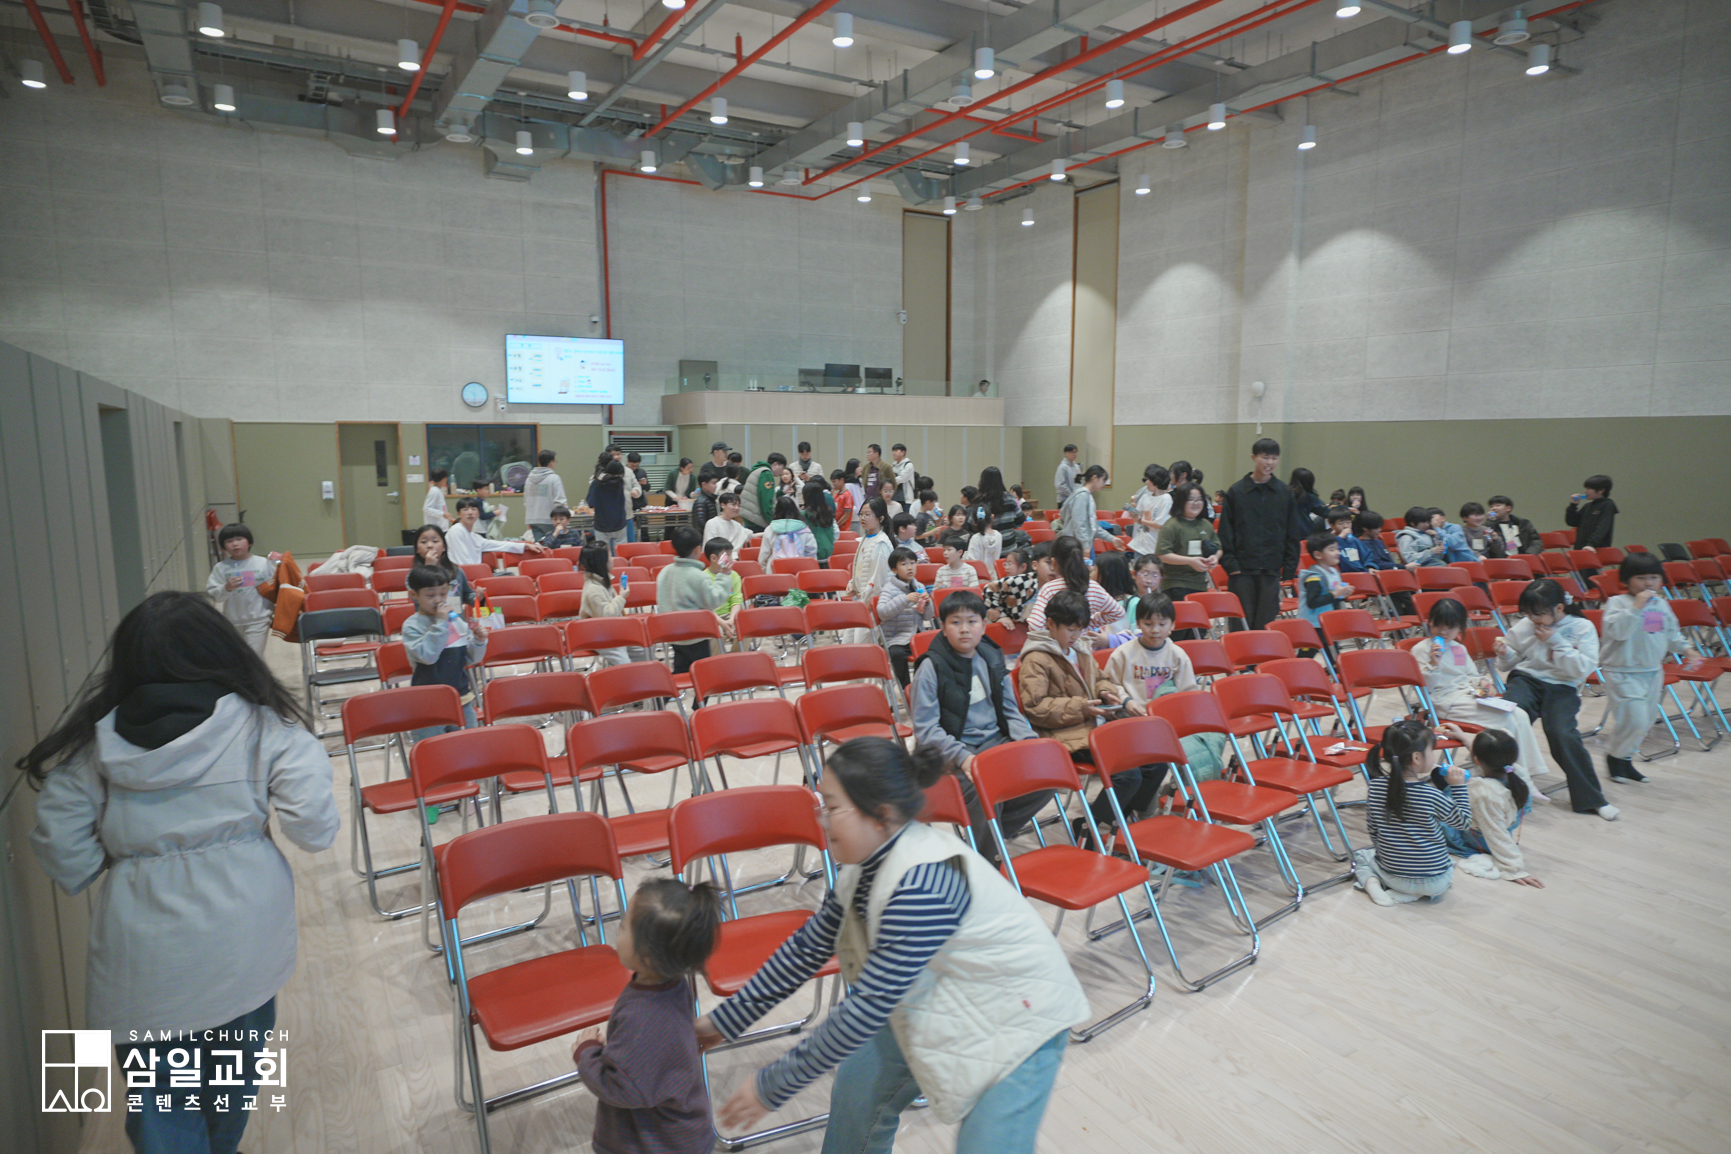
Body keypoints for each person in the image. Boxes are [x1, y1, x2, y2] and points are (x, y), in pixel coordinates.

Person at [24, 592, 339, 1154]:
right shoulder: (265, 728)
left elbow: (63, 852)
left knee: (162, 1108)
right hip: (245, 947)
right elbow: (314, 828)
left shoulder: (94, 747)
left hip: (142, 959)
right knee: (230, 1092)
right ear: (223, 651)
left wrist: (123, 860)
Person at [699, 737, 1087, 1151]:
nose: (822, 821)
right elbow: (805, 949)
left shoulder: (924, 884)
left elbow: (868, 1006)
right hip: (935, 994)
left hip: (1023, 1019)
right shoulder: (866, 863)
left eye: (832, 807)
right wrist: (724, 1022)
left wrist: (772, 1085)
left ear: (881, 815)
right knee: (858, 1092)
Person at [572, 878, 721, 1154]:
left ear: (648, 956)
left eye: (623, 927)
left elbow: (622, 1088)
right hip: (685, 1127)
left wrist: (587, 1053)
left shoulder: (641, 1019)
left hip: (655, 1143)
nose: (617, 933)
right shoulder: (677, 982)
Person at [911, 591, 1054, 861]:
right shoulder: (931, 668)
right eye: (955, 622)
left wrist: (1028, 742)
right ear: (943, 627)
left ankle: (992, 835)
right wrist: (963, 757)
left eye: (972, 621)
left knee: (1047, 772)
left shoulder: (991, 657)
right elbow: (926, 731)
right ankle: (987, 859)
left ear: (984, 625)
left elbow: (1010, 711)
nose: (964, 629)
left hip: (995, 743)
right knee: (985, 786)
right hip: (950, 754)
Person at [1018, 591, 1139, 845]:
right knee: (1128, 774)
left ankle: (1119, 819)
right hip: (1068, 735)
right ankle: (1088, 828)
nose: (1076, 635)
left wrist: (1105, 692)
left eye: (1080, 629)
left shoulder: (1079, 648)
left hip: (1094, 725)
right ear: (1051, 624)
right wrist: (1082, 707)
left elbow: (1100, 677)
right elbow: (1036, 707)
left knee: (1153, 759)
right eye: (1070, 629)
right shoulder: (1036, 659)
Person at [1494, 579, 1617, 820]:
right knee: (1507, 716)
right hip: (1526, 680)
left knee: (1562, 733)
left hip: (1563, 685)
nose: (1532, 619)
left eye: (1538, 614)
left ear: (1559, 608)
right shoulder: (1525, 625)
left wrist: (1556, 641)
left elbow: (1583, 668)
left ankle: (1592, 799)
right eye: (1528, 613)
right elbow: (1510, 662)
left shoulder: (1581, 627)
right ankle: (1501, 785)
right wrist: (1505, 653)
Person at [1416, 598, 1546, 783]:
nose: (1443, 631)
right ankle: (1515, 777)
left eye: (1450, 627)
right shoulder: (1421, 650)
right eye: (1438, 625)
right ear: (1430, 623)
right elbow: (1425, 687)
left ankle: (1527, 772)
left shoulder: (1458, 649)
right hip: (1444, 701)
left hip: (1467, 695)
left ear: (1459, 628)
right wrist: (1433, 663)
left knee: (1520, 714)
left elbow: (1469, 675)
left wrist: (1483, 683)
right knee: (1506, 720)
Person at [1600, 552, 1701, 784]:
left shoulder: (1660, 605)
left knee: (1645, 722)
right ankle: (1615, 757)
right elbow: (1619, 632)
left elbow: (1670, 634)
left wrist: (1688, 650)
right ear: (1626, 580)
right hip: (1622, 672)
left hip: (1652, 671)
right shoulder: (1617, 603)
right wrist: (1637, 607)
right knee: (1633, 720)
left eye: (1654, 577)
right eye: (1641, 578)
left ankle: (1624, 761)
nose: (1648, 583)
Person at [1353, 719, 1470, 906]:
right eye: (1432, 751)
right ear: (1417, 757)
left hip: (1393, 876)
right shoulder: (1432, 794)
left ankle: (1373, 884)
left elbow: (1373, 830)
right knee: (1447, 863)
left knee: (1361, 856)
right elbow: (1464, 822)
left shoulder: (1375, 787)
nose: (1433, 756)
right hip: (1435, 882)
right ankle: (1412, 894)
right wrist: (1459, 787)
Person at [1438, 727, 1544, 887]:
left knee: (1430, 807)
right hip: (1495, 824)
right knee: (1439, 779)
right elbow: (1489, 756)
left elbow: (1495, 832)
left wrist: (1513, 869)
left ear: (1477, 760)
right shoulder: (1517, 772)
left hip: (1477, 839)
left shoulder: (1485, 794)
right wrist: (1464, 738)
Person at [1218, 438, 1303, 631]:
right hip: (1242, 570)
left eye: (1274, 458)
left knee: (1265, 625)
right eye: (1265, 457)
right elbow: (1225, 531)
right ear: (1253, 457)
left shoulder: (1284, 492)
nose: (1270, 462)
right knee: (1241, 623)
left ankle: (1262, 654)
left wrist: (1289, 568)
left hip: (1271, 569)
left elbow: (1292, 531)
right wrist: (1231, 564)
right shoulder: (1237, 491)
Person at [403, 564, 489, 735]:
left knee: (468, 743)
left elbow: (471, 659)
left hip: (461, 697)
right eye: (430, 595)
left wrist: (479, 642)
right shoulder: (412, 625)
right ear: (414, 595)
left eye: (443, 594)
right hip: (428, 702)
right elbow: (428, 656)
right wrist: (442, 623)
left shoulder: (455, 621)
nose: (438, 600)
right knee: (432, 747)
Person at [656, 527, 731, 674]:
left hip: (672, 632)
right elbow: (714, 600)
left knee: (681, 670)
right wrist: (723, 576)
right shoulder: (698, 576)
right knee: (703, 674)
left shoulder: (665, 571)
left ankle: (670, 688)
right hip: (694, 634)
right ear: (698, 549)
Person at [1025, 535, 1125, 637]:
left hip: (1056, 644)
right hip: (1083, 644)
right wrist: (1086, 625)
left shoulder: (1050, 589)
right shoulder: (1094, 587)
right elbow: (1118, 613)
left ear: (1054, 562)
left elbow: (1035, 624)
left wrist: (1053, 636)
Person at [206, 522, 277, 655]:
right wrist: (226, 588)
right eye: (229, 541)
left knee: (254, 656)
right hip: (233, 621)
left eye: (239, 539)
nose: (235, 544)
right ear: (223, 546)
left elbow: (276, 589)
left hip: (259, 619)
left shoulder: (263, 564)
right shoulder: (221, 568)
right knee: (240, 657)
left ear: (249, 542)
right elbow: (214, 595)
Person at [1154, 482, 1221, 604]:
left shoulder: (1206, 524)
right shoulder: (1171, 525)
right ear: (1181, 502)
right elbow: (1162, 554)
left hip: (1200, 584)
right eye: (1191, 499)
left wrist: (1214, 558)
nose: (1196, 503)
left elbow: (1219, 548)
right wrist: (1190, 561)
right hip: (1175, 584)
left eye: (1199, 499)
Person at [878, 546, 931, 688]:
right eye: (904, 564)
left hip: (917, 635)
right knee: (896, 654)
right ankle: (906, 688)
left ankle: (924, 686)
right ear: (894, 570)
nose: (910, 567)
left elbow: (927, 617)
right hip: (897, 638)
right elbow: (882, 613)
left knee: (936, 648)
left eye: (912, 563)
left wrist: (928, 603)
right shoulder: (888, 589)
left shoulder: (919, 585)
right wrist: (904, 599)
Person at [577, 542, 636, 667]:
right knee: (624, 666)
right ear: (602, 562)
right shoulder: (593, 589)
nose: (613, 558)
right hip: (599, 635)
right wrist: (621, 597)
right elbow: (607, 616)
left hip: (613, 630)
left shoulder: (602, 581)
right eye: (610, 555)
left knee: (641, 650)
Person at [1296, 532, 1353, 630]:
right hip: (1313, 624)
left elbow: (1331, 598)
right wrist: (1335, 594)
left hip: (1329, 620)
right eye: (1332, 549)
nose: (1337, 553)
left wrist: (1343, 595)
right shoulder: (1314, 576)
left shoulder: (1334, 572)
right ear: (1318, 555)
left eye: (1337, 549)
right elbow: (1312, 602)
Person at [413, 522, 475, 610]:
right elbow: (418, 600)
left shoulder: (455, 570)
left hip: (455, 617)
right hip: (430, 618)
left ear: (444, 547)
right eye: (424, 542)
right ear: (417, 549)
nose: (430, 545)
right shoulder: (413, 576)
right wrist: (429, 568)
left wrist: (477, 598)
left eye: (435, 541)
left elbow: (467, 593)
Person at [584, 461, 639, 553]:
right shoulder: (620, 483)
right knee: (620, 551)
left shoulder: (596, 484)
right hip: (619, 523)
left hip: (602, 523)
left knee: (603, 553)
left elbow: (591, 504)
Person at [848, 498, 894, 608]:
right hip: (863, 598)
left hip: (875, 603)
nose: (863, 518)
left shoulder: (881, 543)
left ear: (881, 518)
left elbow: (878, 582)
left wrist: (865, 602)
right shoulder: (865, 538)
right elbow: (861, 566)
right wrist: (853, 583)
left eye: (867, 515)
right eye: (861, 514)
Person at [759, 496, 818, 572]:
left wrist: (765, 571)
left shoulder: (770, 530)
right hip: (800, 570)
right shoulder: (804, 530)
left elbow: (764, 555)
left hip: (775, 571)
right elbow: (812, 552)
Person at [704, 539, 746, 645]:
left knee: (744, 629)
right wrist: (723, 623)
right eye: (728, 555)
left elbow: (736, 600)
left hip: (729, 615)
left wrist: (731, 620)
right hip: (711, 617)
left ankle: (738, 656)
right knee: (715, 634)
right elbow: (705, 607)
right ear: (713, 558)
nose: (731, 559)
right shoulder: (703, 578)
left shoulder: (734, 575)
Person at [983, 547, 1037, 628]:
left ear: (1023, 567)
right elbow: (988, 589)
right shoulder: (1008, 582)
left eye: (1010, 564)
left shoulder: (1030, 581)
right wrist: (1000, 616)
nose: (1006, 567)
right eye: (1006, 564)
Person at [1128, 465, 1172, 556]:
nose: (1146, 482)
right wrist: (1134, 516)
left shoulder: (1166, 499)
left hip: (1154, 547)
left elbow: (1160, 524)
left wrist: (1142, 520)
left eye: (1148, 479)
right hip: (1141, 545)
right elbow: (1140, 519)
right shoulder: (1145, 497)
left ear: (1155, 481)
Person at [1565, 474, 1617, 549]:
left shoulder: (1608, 505)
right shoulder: (1587, 506)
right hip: (1581, 547)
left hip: (1596, 548)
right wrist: (1573, 505)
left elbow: (1602, 527)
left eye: (1589, 489)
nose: (1585, 491)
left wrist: (1591, 544)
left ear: (1601, 490)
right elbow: (1572, 522)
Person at [523, 450, 567, 538]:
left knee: (540, 545)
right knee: (553, 544)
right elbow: (559, 501)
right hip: (550, 520)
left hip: (533, 519)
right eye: (555, 461)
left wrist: (530, 519)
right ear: (551, 462)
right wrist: (562, 518)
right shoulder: (554, 478)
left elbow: (526, 501)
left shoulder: (529, 479)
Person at [801, 479, 837, 562]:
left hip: (812, 556)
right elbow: (836, 533)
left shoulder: (803, 514)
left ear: (805, 497)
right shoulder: (828, 512)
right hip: (829, 554)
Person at [1288, 467, 1328, 532]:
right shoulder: (1309, 497)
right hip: (1304, 531)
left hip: (1285, 530)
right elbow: (1325, 511)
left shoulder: (1285, 493)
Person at [624, 451, 651, 542]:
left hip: (641, 503)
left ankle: (645, 545)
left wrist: (645, 484)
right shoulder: (623, 472)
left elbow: (647, 488)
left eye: (637, 466)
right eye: (632, 465)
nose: (634, 468)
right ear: (627, 461)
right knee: (628, 529)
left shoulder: (641, 472)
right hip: (628, 504)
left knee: (644, 528)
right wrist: (638, 484)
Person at [689, 467, 721, 538]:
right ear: (704, 485)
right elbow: (699, 525)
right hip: (706, 538)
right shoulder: (701, 502)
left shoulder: (712, 499)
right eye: (713, 483)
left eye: (716, 483)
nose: (716, 486)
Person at [1052, 443, 1081, 509]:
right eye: (1072, 452)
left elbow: (1079, 483)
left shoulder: (1076, 467)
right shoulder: (1062, 467)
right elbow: (1059, 485)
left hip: (1075, 500)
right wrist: (1071, 495)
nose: (1075, 454)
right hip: (1064, 500)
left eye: (1076, 452)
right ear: (1066, 453)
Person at [831, 468, 856, 533]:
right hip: (836, 528)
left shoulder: (847, 495)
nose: (833, 484)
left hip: (843, 530)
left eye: (834, 481)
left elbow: (846, 515)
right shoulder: (836, 495)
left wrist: (837, 525)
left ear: (842, 480)